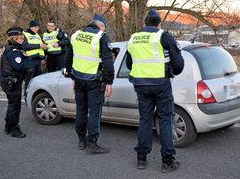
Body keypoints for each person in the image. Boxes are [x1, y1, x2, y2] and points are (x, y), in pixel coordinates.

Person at [126, 9, 184, 172]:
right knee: (165, 120)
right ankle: (167, 162)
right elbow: (179, 64)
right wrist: (170, 70)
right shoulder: (163, 36)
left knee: (145, 120)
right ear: (159, 24)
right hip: (161, 84)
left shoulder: (134, 38)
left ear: (145, 24)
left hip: (141, 85)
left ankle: (141, 159)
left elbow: (129, 64)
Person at [64, 13, 114, 154]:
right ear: (100, 26)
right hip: (94, 82)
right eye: (103, 28)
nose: (104, 31)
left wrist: (71, 77)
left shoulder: (76, 35)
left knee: (80, 110)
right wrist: (109, 82)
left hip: (79, 79)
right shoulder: (100, 37)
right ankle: (92, 143)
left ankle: (81, 140)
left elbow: (68, 58)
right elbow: (108, 62)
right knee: (94, 112)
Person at [0, 27, 34, 138]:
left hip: (10, 80)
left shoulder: (15, 49)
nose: (22, 40)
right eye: (20, 38)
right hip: (11, 81)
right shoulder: (13, 51)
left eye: (22, 38)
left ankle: (8, 126)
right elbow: (18, 66)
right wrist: (27, 60)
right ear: (14, 38)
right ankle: (14, 129)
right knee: (15, 105)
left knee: (12, 103)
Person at [22, 20, 47, 98]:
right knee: (29, 79)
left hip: (38, 60)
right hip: (30, 60)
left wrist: (43, 56)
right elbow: (25, 46)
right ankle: (26, 96)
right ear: (31, 27)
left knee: (37, 80)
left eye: (38, 27)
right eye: (36, 27)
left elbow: (40, 47)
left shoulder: (37, 35)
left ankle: (35, 96)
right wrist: (38, 45)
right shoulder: (25, 34)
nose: (37, 29)